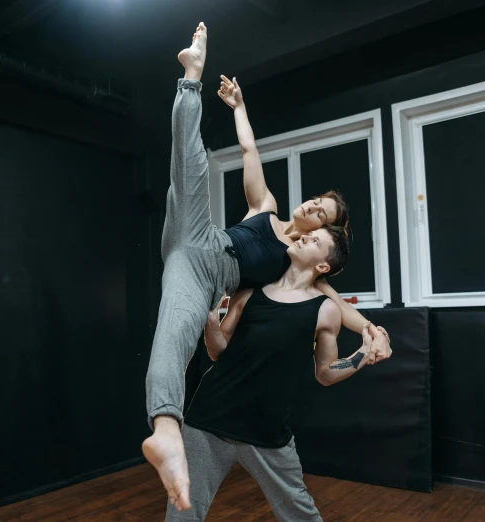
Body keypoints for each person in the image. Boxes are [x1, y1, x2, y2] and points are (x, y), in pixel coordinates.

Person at [142, 22, 389, 511]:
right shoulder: (267, 208)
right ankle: (191, 75)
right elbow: (251, 150)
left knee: (173, 333)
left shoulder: (288, 267)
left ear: (322, 245)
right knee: (189, 164)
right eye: (317, 201)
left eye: (323, 214)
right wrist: (238, 107)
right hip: (197, 237)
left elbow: (333, 302)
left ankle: (166, 429)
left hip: (200, 275)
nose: (313, 207)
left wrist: (371, 332)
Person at [163, 225, 391, 521]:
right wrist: (210, 320)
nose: (305, 236)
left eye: (315, 240)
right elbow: (219, 352)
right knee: (182, 512)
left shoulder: (325, 310)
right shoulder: (249, 293)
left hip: (266, 433)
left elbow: (325, 373)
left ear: (323, 265)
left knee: (301, 514)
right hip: (208, 420)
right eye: (308, 234)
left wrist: (362, 353)